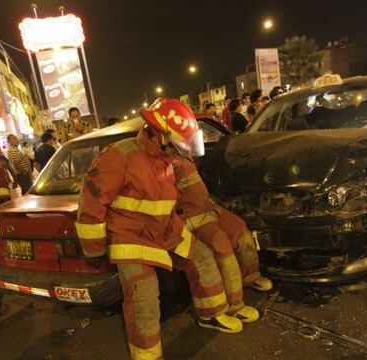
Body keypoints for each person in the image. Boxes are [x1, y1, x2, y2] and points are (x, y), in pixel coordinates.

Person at [76, 98, 243, 360]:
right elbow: (92, 199)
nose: (183, 147)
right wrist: (93, 248)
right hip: (131, 237)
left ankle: (212, 314)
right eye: (179, 140)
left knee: (202, 258)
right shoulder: (121, 155)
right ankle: (148, 355)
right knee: (144, 293)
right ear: (160, 133)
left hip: (165, 230)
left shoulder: (166, 158)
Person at [173, 155, 272, 323]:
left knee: (239, 229)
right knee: (221, 247)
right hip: (191, 217)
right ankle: (233, 307)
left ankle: (249, 276)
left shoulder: (180, 156)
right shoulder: (163, 162)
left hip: (207, 207)